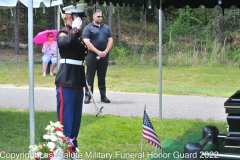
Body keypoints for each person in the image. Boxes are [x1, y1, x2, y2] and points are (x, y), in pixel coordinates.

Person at [55, 3, 88, 152]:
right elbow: (65, 42)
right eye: (77, 17)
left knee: (75, 120)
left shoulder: (77, 35)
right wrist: (74, 29)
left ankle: (72, 146)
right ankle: (62, 148)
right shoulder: (63, 32)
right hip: (67, 80)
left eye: (81, 17)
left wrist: (76, 31)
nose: (80, 20)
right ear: (69, 17)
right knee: (65, 118)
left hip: (78, 80)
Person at [82, 9, 113, 104]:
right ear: (93, 17)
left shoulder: (106, 28)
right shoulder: (88, 28)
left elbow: (110, 40)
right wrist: (98, 52)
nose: (100, 18)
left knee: (102, 76)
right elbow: (87, 42)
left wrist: (106, 51)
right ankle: (88, 96)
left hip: (104, 56)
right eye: (98, 16)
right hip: (92, 56)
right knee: (90, 77)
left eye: (101, 16)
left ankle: (103, 96)